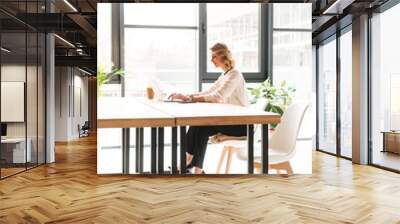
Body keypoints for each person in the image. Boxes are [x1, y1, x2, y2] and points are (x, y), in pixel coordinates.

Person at [169, 43, 248, 174]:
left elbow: (218, 96)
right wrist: (185, 96)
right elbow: (208, 92)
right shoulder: (224, 75)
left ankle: (189, 163)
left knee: (201, 127)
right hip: (229, 120)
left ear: (223, 57)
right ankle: (195, 168)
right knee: (199, 126)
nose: (212, 60)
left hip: (240, 124)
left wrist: (190, 99)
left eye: (214, 56)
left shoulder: (235, 75)